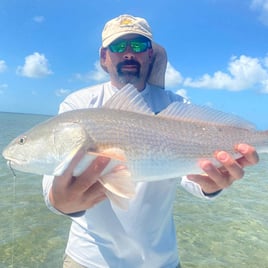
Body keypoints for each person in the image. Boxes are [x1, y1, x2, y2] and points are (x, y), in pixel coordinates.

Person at [42, 14, 259, 268]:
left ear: (150, 55)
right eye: (118, 46)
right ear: (104, 57)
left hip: (161, 260)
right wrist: (60, 201)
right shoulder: (78, 105)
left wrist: (212, 183)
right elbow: (53, 177)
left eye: (138, 46)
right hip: (88, 259)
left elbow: (190, 177)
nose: (128, 54)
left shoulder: (176, 106)